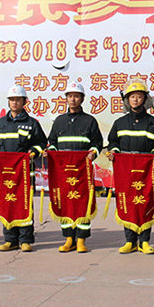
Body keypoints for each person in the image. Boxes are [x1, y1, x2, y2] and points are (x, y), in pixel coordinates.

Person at [106, 81, 154, 254]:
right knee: (128, 202)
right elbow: (113, 142)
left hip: (146, 172)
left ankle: (144, 241)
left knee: (145, 202)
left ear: (145, 99)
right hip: (126, 172)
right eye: (132, 97)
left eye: (139, 96)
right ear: (127, 100)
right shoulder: (119, 123)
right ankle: (130, 241)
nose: (135, 99)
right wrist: (114, 152)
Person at [0, 84, 47, 252]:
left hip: (25, 173)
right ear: (8, 102)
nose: (14, 102)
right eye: (12, 99)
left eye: (18, 99)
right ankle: (10, 239)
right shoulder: (0, 124)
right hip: (5, 174)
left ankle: (25, 240)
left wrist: (34, 152)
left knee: (24, 205)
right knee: (8, 203)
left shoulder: (31, 123)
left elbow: (41, 142)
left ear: (24, 102)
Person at [45, 81, 103, 253]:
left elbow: (97, 143)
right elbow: (52, 142)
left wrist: (93, 153)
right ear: (66, 98)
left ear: (82, 99)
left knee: (82, 202)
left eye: (76, 96)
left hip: (82, 172)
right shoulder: (59, 121)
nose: (73, 99)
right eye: (70, 96)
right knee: (65, 202)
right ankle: (69, 239)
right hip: (63, 172)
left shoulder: (89, 121)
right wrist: (51, 151)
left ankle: (81, 240)